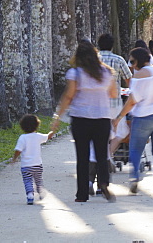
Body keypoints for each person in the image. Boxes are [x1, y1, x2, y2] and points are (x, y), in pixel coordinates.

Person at [50, 40, 119, 202]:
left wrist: (57, 117)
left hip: (81, 118)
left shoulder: (76, 73)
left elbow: (68, 95)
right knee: (102, 154)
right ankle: (103, 183)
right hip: (102, 118)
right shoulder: (106, 72)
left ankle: (81, 194)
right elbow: (114, 94)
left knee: (82, 157)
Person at [113, 47, 153, 195]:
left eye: (132, 61)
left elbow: (132, 101)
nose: (131, 65)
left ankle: (134, 178)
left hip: (143, 116)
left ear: (138, 60)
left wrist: (119, 117)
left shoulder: (138, 78)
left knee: (135, 149)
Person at [97, 33, 132, 161]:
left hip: (96, 101)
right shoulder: (119, 60)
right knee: (121, 132)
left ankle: (101, 156)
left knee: (99, 131)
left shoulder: (93, 59)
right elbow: (130, 80)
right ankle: (108, 154)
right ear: (112, 46)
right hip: (114, 101)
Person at [12, 114, 55, 205]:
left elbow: (18, 150)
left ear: (22, 126)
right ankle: (40, 191)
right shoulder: (38, 136)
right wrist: (53, 130)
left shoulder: (22, 138)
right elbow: (48, 136)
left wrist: (14, 159)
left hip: (26, 166)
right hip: (37, 164)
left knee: (28, 181)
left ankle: (30, 195)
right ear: (37, 125)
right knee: (38, 180)